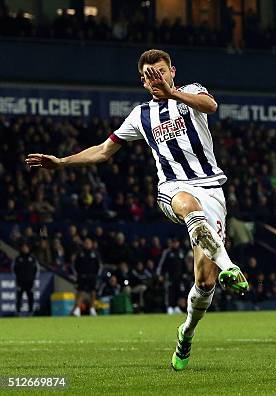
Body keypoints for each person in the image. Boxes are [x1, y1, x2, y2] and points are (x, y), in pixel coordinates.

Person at [25, 49, 248, 371]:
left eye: (161, 71)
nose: (156, 78)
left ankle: (186, 332)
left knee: (205, 282)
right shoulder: (140, 115)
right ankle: (229, 264)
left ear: (172, 71)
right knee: (188, 207)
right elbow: (103, 151)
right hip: (172, 188)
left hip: (212, 188)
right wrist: (61, 162)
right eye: (150, 74)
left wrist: (173, 93)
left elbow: (211, 106)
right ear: (143, 81)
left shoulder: (193, 92)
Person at [72, 237, 102, 316]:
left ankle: (92, 309)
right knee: (80, 292)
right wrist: (77, 275)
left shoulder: (95, 254)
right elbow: (74, 265)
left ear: (91, 244)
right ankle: (77, 309)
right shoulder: (79, 253)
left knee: (93, 293)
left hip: (92, 276)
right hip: (82, 276)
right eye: (86, 243)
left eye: (88, 243)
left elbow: (99, 266)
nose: (87, 244)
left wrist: (97, 275)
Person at [12, 243, 39, 315]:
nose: (25, 249)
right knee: (19, 297)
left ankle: (30, 312)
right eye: (23, 247)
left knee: (30, 297)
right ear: (21, 249)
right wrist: (17, 278)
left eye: (26, 247)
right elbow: (13, 269)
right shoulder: (18, 258)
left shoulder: (33, 258)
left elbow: (37, 269)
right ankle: (18, 312)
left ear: (28, 248)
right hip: (20, 282)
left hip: (30, 282)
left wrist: (34, 278)